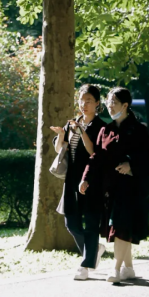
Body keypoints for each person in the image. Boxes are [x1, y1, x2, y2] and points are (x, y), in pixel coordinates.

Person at [80, 86, 149, 283]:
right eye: (108, 102)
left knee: (121, 226)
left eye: (113, 102)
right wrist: (85, 178)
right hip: (110, 188)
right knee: (120, 228)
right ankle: (128, 268)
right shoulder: (106, 129)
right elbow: (96, 156)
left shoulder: (139, 130)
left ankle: (115, 268)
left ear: (125, 105)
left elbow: (148, 157)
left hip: (132, 188)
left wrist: (131, 165)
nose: (109, 106)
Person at [51, 84, 105, 281]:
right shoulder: (73, 123)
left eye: (89, 101)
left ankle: (85, 264)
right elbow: (60, 150)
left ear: (97, 103)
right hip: (72, 180)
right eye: (81, 100)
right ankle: (93, 250)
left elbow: (93, 152)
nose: (84, 104)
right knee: (71, 222)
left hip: (91, 180)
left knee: (91, 223)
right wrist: (62, 135)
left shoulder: (100, 127)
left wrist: (82, 131)